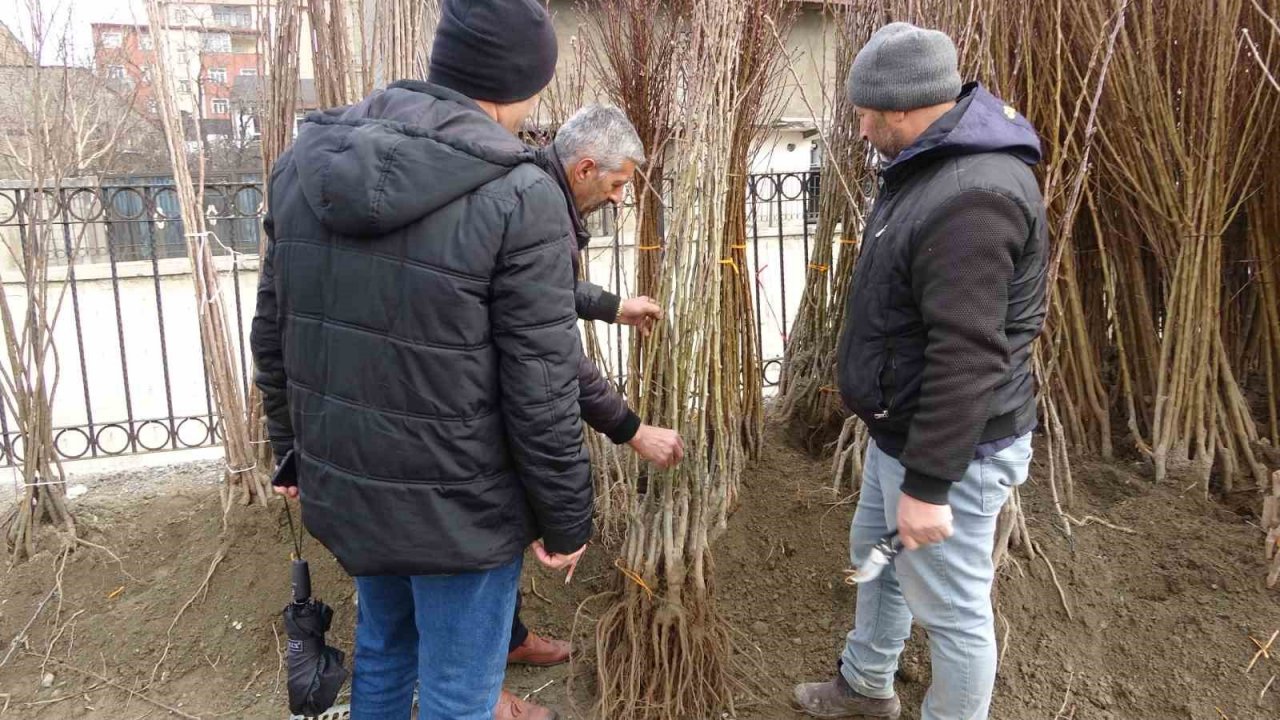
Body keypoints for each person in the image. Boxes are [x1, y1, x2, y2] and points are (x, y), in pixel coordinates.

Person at [249, 1, 593, 718]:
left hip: (353, 486)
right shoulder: (520, 193)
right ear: (519, 83)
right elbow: (542, 386)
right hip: (461, 510)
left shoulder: (302, 169)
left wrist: (292, 455)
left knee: (383, 654)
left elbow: (272, 332)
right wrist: (566, 520)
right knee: (458, 692)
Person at [792, 22, 1048, 720]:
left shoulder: (972, 195)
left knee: (953, 610)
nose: (860, 126)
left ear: (901, 107)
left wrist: (930, 486)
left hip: (956, 452)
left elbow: (967, 355)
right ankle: (866, 686)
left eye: (865, 113)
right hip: (904, 432)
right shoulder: (930, 168)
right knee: (878, 559)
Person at [496, 105, 686, 720]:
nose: (620, 197)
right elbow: (555, 364)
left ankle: (508, 638)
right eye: (618, 183)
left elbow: (542, 285)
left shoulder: (532, 191)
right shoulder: (537, 207)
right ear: (583, 168)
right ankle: (475, 692)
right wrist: (633, 431)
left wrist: (612, 306)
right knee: (480, 540)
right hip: (468, 414)